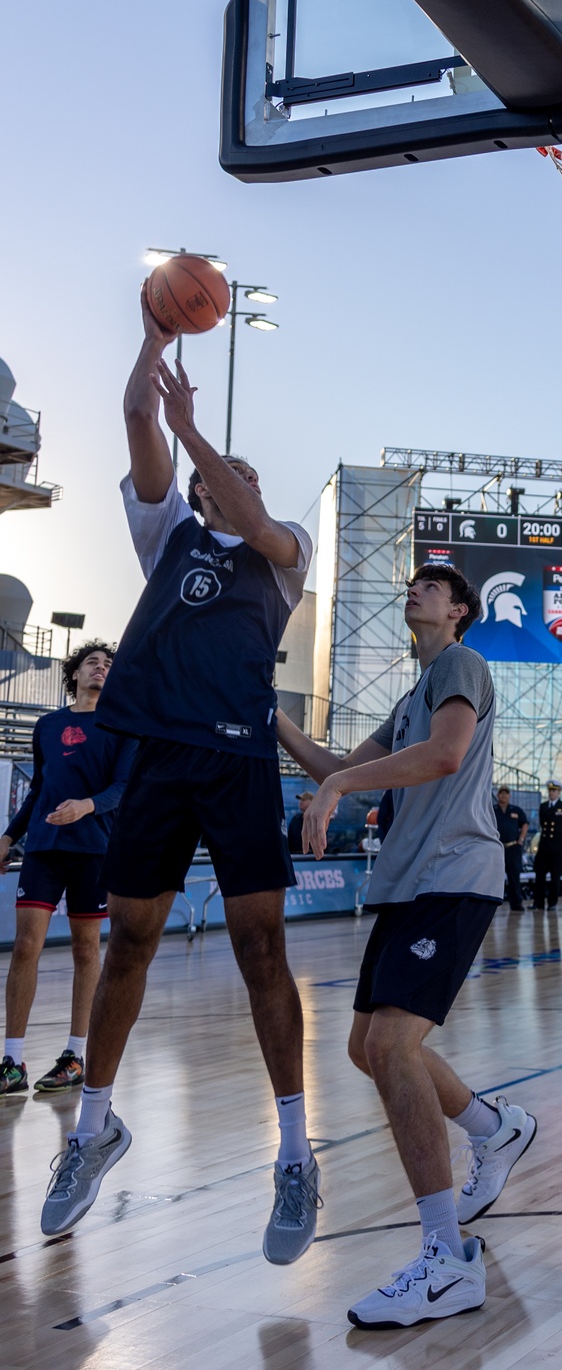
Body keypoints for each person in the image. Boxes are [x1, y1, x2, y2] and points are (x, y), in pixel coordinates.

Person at [40, 297, 317, 1266]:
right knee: (131, 947)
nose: (230, 483)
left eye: (240, 474)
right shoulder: (170, 537)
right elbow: (133, 425)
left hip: (239, 757)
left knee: (260, 950)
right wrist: (151, 345)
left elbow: (246, 508)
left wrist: (197, 426)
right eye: (214, 477)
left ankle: (293, 1147)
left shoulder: (281, 554)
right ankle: (93, 1129)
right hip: (159, 754)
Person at [277, 563, 537, 1329]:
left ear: (458, 610)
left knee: (391, 1044)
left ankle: (446, 1260)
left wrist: (338, 791)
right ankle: (496, 1127)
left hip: (454, 874)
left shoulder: (462, 663)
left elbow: (446, 755)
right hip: (407, 884)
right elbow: (342, 769)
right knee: (367, 1045)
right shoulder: (412, 695)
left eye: (432, 586)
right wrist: (278, 725)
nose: (415, 590)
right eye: (414, 583)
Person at [0, 643, 136, 1098]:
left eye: (109, 665)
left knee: (85, 951)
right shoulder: (48, 726)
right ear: (74, 674)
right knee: (25, 946)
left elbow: (123, 788)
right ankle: (12, 1059)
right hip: (43, 847)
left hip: (95, 849)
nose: (102, 668)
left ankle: (75, 1055)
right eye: (93, 662)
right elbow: (39, 790)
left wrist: (86, 806)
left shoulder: (122, 724)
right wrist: (7, 839)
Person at [534, 781, 562, 910]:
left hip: (557, 847)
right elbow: (543, 824)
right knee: (539, 875)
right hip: (544, 846)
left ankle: (552, 903)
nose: (551, 793)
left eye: (554, 791)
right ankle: (538, 903)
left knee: (555, 876)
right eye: (550, 790)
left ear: (559, 792)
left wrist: (560, 837)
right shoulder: (544, 806)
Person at [494, 786, 529, 911]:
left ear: (509, 796)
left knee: (514, 876)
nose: (504, 796)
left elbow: (525, 823)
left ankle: (516, 903)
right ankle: (493, 903)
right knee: (494, 876)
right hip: (497, 848)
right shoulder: (493, 809)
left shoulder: (516, 810)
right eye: (501, 793)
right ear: (497, 795)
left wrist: (521, 839)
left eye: (506, 793)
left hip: (513, 847)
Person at [285, 790, 314, 856]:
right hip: (295, 857)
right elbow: (289, 838)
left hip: (311, 857)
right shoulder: (296, 818)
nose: (300, 802)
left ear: (311, 802)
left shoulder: (317, 820)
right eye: (300, 800)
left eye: (303, 800)